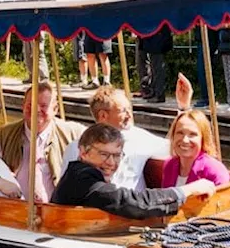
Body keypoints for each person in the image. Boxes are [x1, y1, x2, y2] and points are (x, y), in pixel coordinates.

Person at [51, 124, 215, 219]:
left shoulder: (81, 172)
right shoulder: (84, 178)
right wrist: (189, 190)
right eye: (103, 154)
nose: (111, 163)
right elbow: (130, 202)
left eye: (116, 156)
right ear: (83, 152)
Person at [61, 80, 192, 191]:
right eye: (123, 111)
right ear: (103, 116)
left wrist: (184, 108)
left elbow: (176, 146)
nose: (130, 115)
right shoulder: (76, 148)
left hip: (133, 213)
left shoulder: (139, 138)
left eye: (130, 109)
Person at [0, 81, 83, 203]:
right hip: (15, 210)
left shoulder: (74, 134)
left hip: (57, 212)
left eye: (43, 105)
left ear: (55, 109)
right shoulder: (4, 134)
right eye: (30, 105)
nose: (36, 110)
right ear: (23, 106)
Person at [161, 110, 230, 187]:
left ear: (203, 138)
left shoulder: (215, 171)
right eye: (180, 133)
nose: (185, 140)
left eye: (192, 134)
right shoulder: (169, 165)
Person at [22, 0, 50, 80]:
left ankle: (44, 77)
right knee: (27, 52)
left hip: (39, 28)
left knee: (39, 52)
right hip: (27, 27)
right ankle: (32, 76)